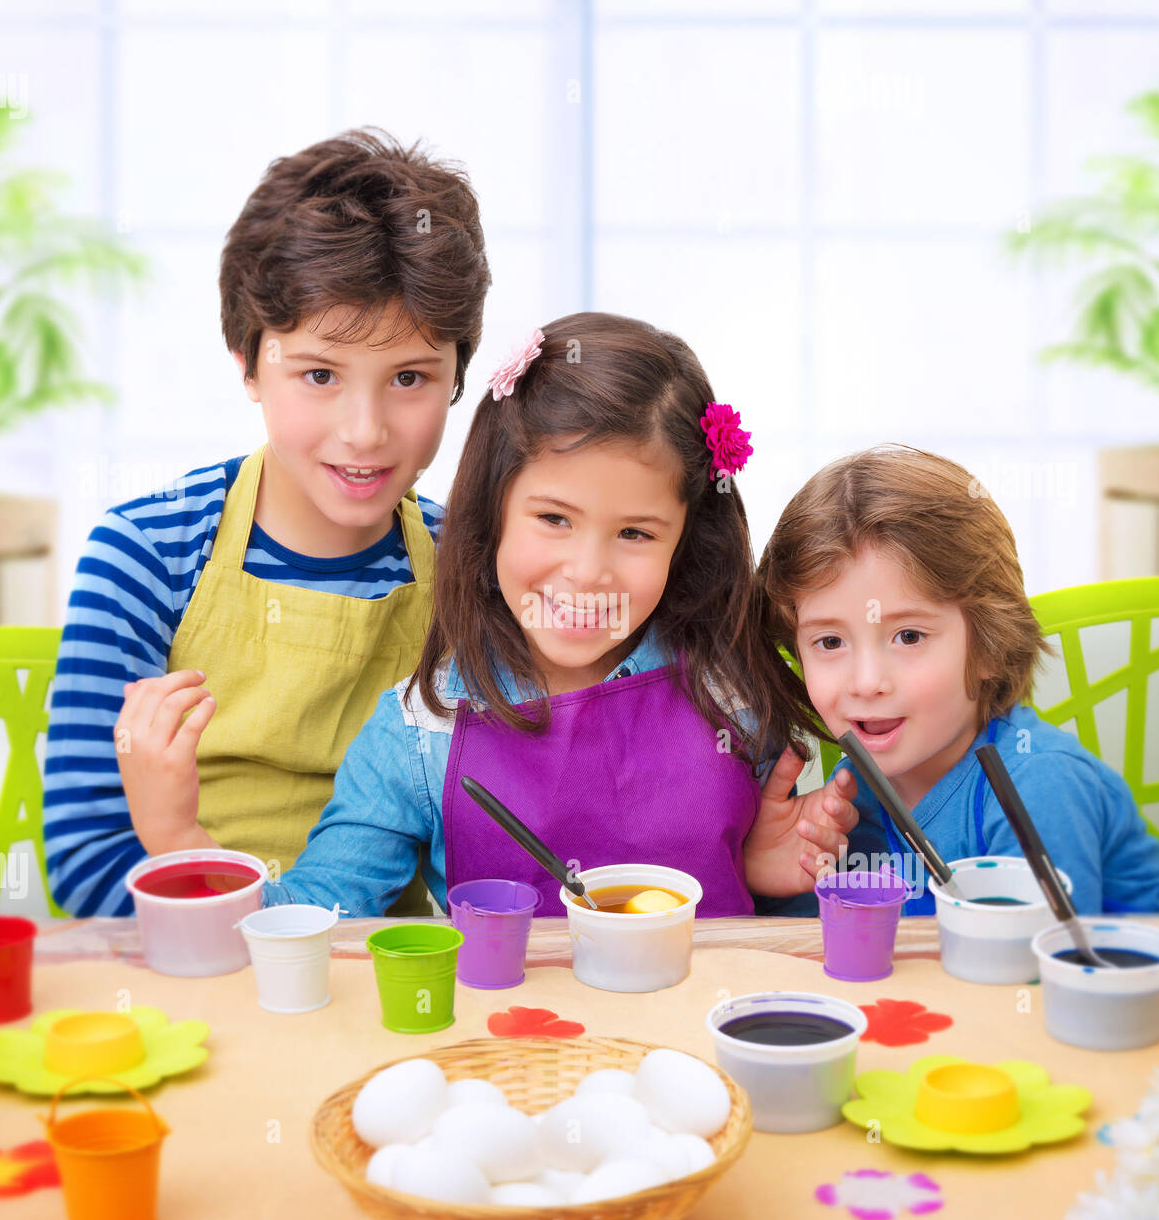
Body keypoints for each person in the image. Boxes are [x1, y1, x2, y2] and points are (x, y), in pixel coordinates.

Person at [195, 310, 855, 916]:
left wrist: (766, 874)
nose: (588, 570)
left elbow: (796, 942)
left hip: (696, 1043)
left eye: (635, 533)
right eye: (553, 518)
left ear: (686, 540)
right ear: (492, 514)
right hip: (501, 1048)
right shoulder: (419, 734)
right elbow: (307, 929)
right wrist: (180, 836)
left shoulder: (740, 695)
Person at [44, 129, 490, 916]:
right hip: (175, 970)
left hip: (379, 972)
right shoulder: (144, 555)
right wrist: (208, 887)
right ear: (248, 363)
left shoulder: (467, 563)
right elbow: (85, 867)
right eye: (319, 374)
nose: (364, 430)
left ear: (458, 377)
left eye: (410, 377)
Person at [757, 444, 1159, 917]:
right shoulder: (852, 794)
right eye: (829, 642)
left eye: (908, 636)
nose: (866, 683)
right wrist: (771, 885)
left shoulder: (1038, 784)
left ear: (990, 645)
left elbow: (1030, 973)